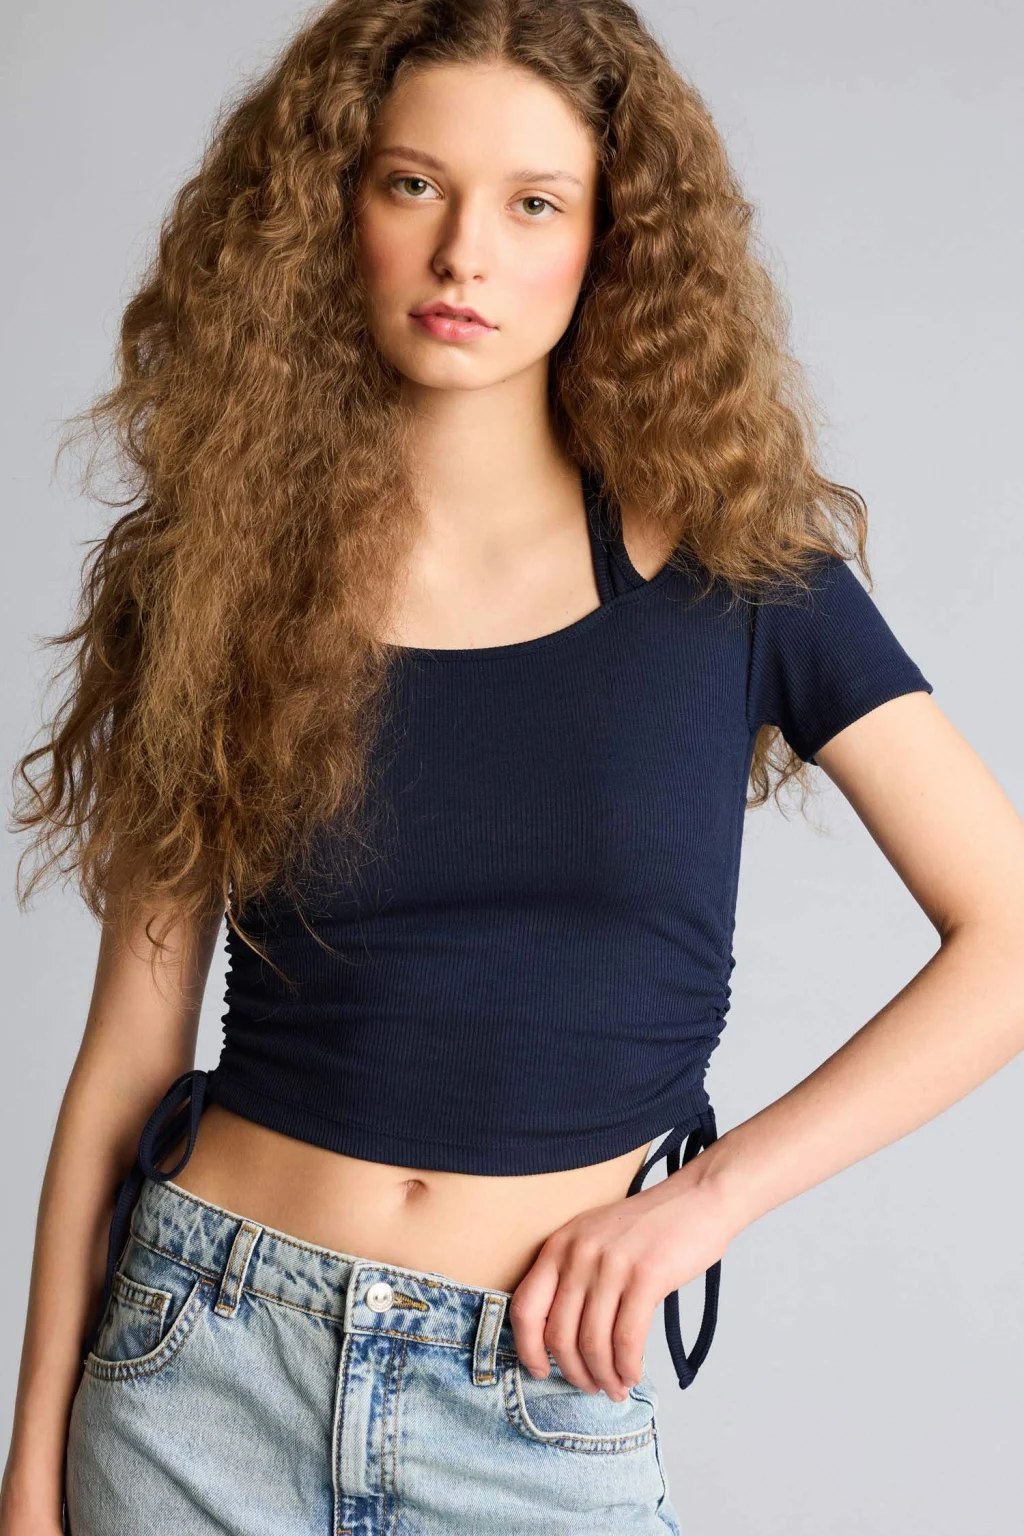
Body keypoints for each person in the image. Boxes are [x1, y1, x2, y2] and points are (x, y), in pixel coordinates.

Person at [4, 2, 1023, 1533]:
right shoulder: (217, 582)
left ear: (614, 240)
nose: (463, 254)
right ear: (333, 209)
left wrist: (706, 1201)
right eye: (413, 184)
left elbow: (1010, 933)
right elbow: (128, 1063)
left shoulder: (746, 583)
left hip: (528, 1409)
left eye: (534, 202)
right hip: (194, 1371)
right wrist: (30, 1474)